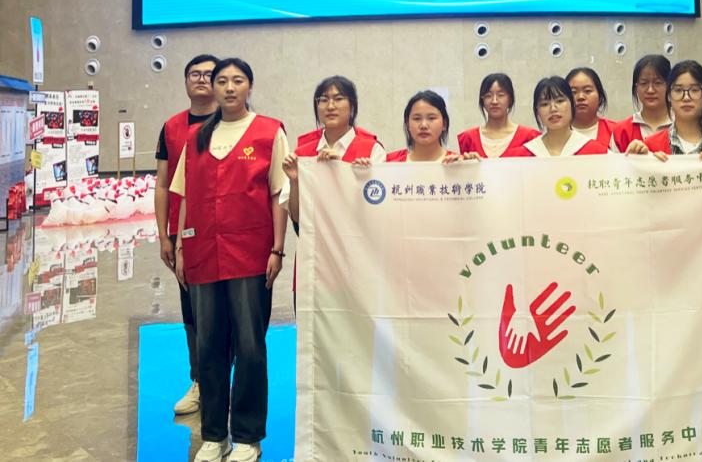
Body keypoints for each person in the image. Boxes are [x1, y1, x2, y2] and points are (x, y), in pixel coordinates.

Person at [170, 58, 289, 462]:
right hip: (203, 253)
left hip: (250, 255)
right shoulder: (196, 137)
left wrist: (277, 248)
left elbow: (279, 194)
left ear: (249, 86)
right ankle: (214, 435)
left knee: (250, 347)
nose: (229, 87)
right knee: (209, 346)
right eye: (222, 80)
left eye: (237, 80)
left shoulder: (269, 132)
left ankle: (248, 437)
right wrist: (181, 247)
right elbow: (185, 197)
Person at [153, 53, 218, 416]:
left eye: (210, 74)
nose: (202, 79)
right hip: (185, 236)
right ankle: (200, 381)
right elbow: (163, 184)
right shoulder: (172, 127)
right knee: (193, 312)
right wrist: (165, 236)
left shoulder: (236, 123)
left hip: (230, 234)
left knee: (229, 313)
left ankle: (225, 383)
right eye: (195, 74)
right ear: (185, 81)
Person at [280, 75, 385, 225]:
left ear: (352, 106)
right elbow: (297, 218)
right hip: (314, 240)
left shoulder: (373, 150)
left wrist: (342, 171)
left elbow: (379, 210)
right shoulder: (301, 154)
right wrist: (295, 181)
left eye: (338, 98)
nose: (330, 106)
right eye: (323, 100)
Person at [627, 60, 702, 158]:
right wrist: (638, 158)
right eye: (678, 90)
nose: (686, 97)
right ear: (668, 96)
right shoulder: (651, 146)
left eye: (694, 90)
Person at [508, 76, 608, 157]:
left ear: (572, 104)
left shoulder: (597, 152)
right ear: (537, 111)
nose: (553, 109)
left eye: (560, 101)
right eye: (545, 104)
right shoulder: (521, 157)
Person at [457, 73, 540, 158]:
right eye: (488, 96)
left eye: (501, 95)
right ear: (482, 101)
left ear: (510, 99)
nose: (494, 101)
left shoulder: (530, 137)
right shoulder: (468, 138)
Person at [387, 90, 475, 163]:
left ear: (444, 124)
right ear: (407, 124)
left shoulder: (457, 164)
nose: (423, 125)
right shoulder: (391, 166)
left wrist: (472, 167)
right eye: (417, 118)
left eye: (431, 118)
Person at [612, 54, 672, 152]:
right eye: (643, 83)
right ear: (636, 88)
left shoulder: (682, 126)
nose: (650, 90)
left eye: (658, 83)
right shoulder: (621, 131)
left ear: (670, 86)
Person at [566, 67, 618, 151]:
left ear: (600, 97)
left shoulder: (616, 132)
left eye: (587, 91)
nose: (580, 97)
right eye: (573, 92)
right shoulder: (554, 135)